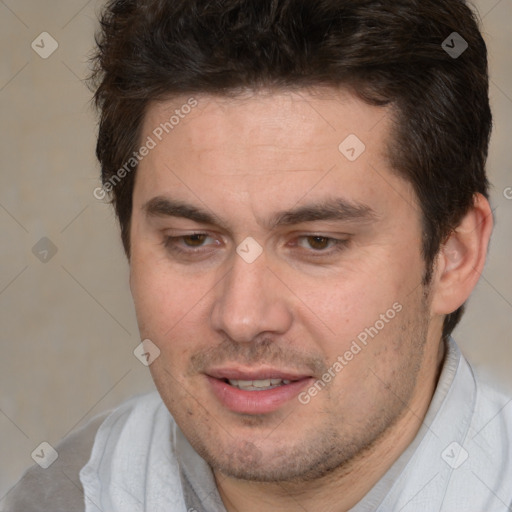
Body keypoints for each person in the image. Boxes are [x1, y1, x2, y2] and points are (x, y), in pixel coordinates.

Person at [4, 0, 511, 510]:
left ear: (454, 255)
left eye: (317, 242)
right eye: (192, 240)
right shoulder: (57, 498)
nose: (242, 317)